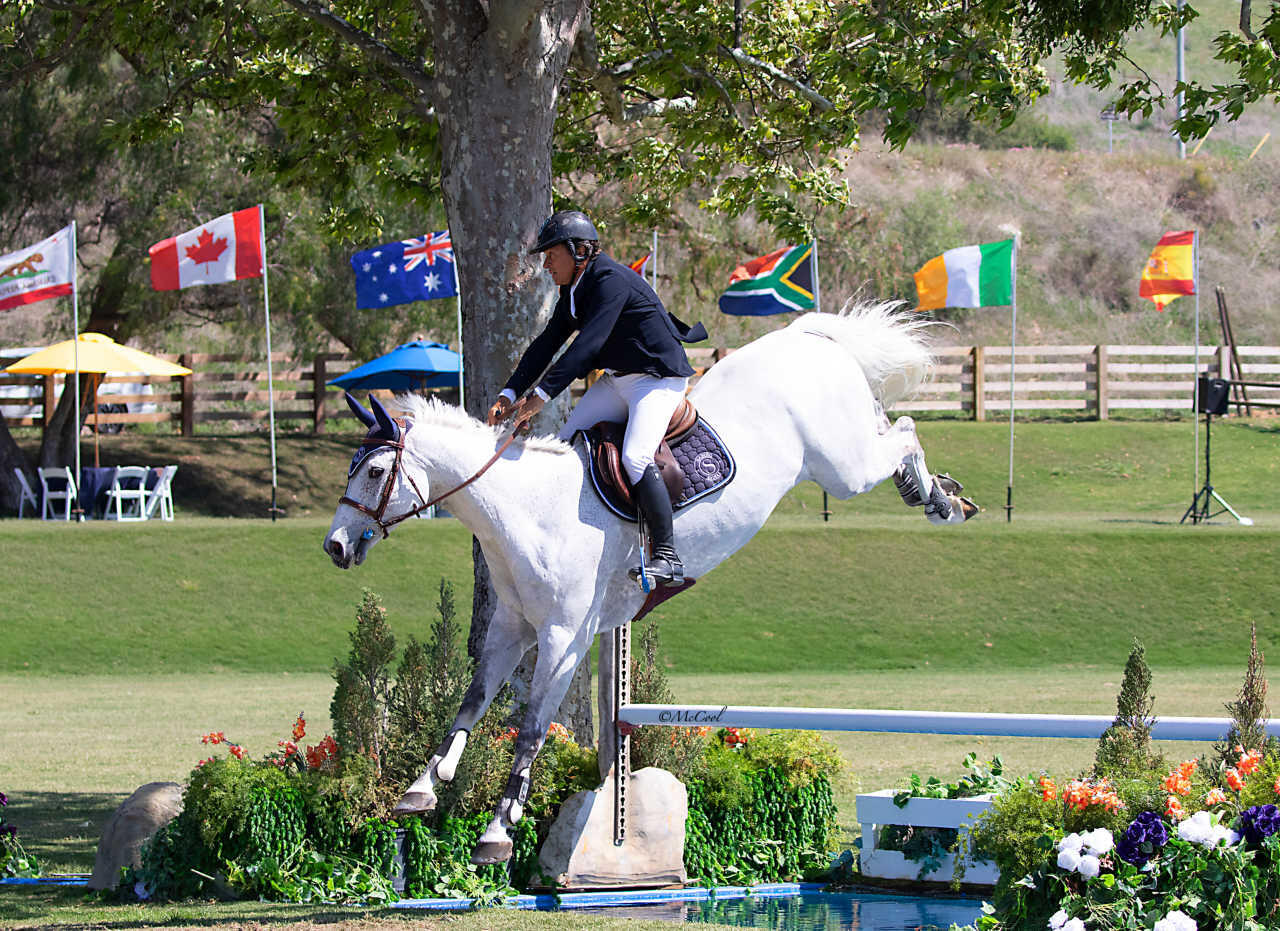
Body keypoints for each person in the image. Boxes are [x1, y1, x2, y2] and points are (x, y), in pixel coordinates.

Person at [488, 210, 707, 586]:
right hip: (619, 380)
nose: (545, 265)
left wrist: (541, 395)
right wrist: (510, 392)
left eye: (551, 256)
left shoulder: (608, 280)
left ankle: (668, 556)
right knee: (566, 443)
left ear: (578, 251)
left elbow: (587, 347)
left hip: (657, 380)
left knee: (636, 457)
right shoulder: (573, 290)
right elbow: (546, 344)